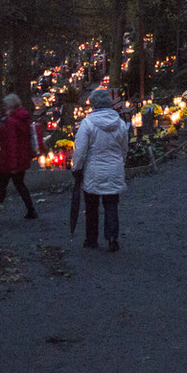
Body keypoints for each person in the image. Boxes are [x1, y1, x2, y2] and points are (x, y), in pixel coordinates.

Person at [72, 88, 128, 251]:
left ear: (93, 104)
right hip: (114, 168)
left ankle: (91, 239)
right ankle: (112, 238)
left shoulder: (87, 123)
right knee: (111, 204)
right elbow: (124, 148)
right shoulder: (120, 123)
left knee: (91, 206)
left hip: (93, 170)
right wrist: (119, 162)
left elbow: (80, 150)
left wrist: (76, 167)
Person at [0, 93, 38, 222]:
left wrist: (11, 164)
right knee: (19, 185)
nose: (4, 107)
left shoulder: (11, 121)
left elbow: (11, 143)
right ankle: (31, 210)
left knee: (1, 188)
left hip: (9, 160)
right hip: (20, 158)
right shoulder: (22, 119)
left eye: (5, 105)